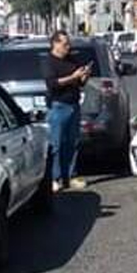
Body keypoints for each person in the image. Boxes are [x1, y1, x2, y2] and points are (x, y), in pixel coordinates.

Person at [40, 30, 91, 192]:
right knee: (56, 144)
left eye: (68, 44)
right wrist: (73, 77)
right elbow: (52, 84)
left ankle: (70, 175)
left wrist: (84, 75)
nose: (68, 47)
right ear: (55, 44)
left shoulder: (72, 60)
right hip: (58, 106)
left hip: (74, 105)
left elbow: (80, 83)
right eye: (64, 44)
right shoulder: (49, 62)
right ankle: (55, 178)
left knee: (72, 142)